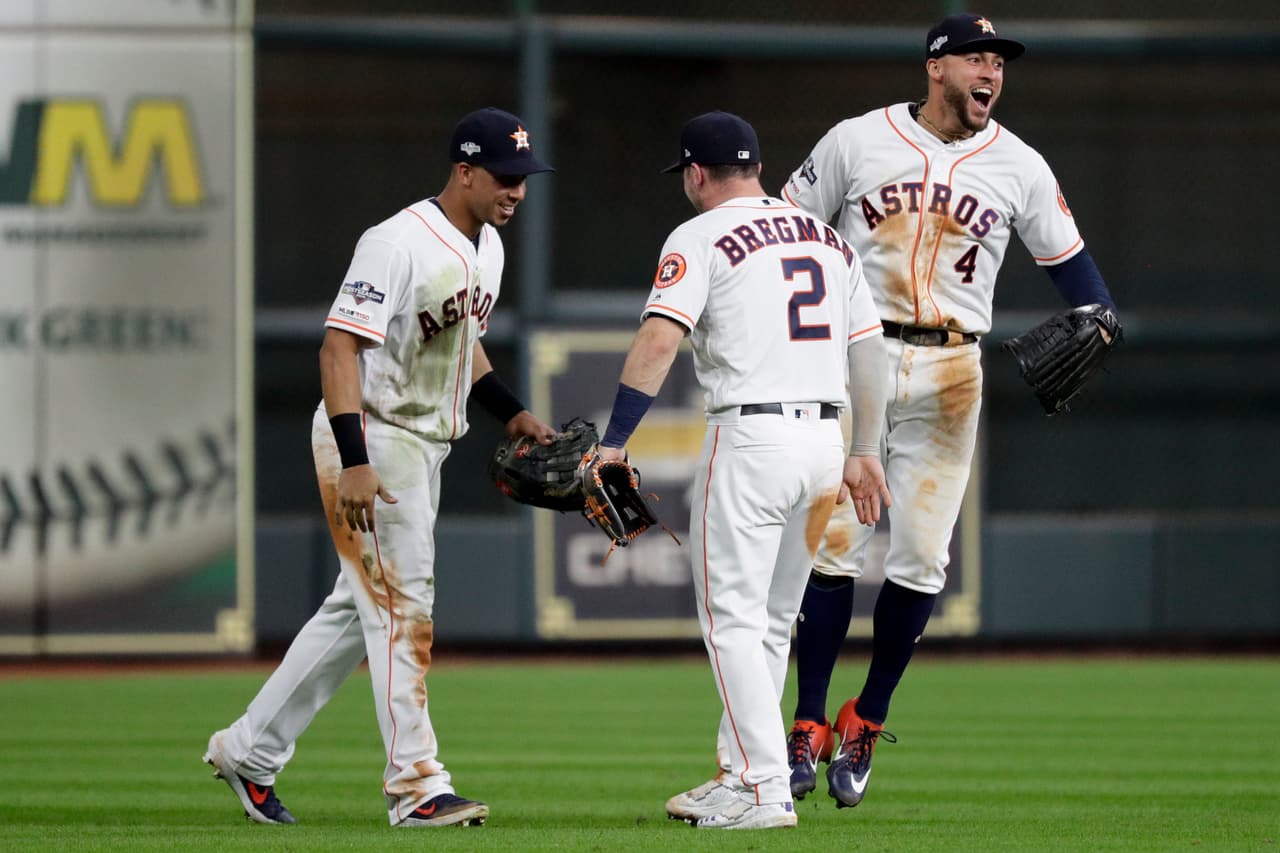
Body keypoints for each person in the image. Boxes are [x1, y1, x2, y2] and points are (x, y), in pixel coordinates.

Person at [778, 13, 1120, 808]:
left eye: (999, 61)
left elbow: (1074, 268)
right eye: (976, 57)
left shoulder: (1020, 165)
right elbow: (786, 233)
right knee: (831, 546)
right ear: (936, 67)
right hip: (857, 356)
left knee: (921, 560)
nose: (991, 72)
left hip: (952, 371)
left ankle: (866, 716)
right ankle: (806, 722)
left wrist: (1102, 314)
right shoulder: (857, 141)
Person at [203, 107, 556, 828]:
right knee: (404, 606)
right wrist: (355, 459)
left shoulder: (488, 244)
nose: (517, 191)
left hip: (422, 443)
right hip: (370, 435)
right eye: (504, 176)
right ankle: (417, 785)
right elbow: (338, 349)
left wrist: (511, 409)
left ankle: (250, 749)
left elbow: (465, 344)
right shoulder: (395, 243)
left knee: (360, 606)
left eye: (523, 178)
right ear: (464, 171)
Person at [596, 110, 890, 830]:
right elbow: (869, 352)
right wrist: (866, 451)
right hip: (826, 442)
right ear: (756, 168)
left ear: (697, 173)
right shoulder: (826, 239)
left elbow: (660, 337)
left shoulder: (699, 235)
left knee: (730, 617)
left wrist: (615, 440)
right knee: (767, 622)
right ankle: (740, 774)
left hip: (752, 437)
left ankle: (763, 788)